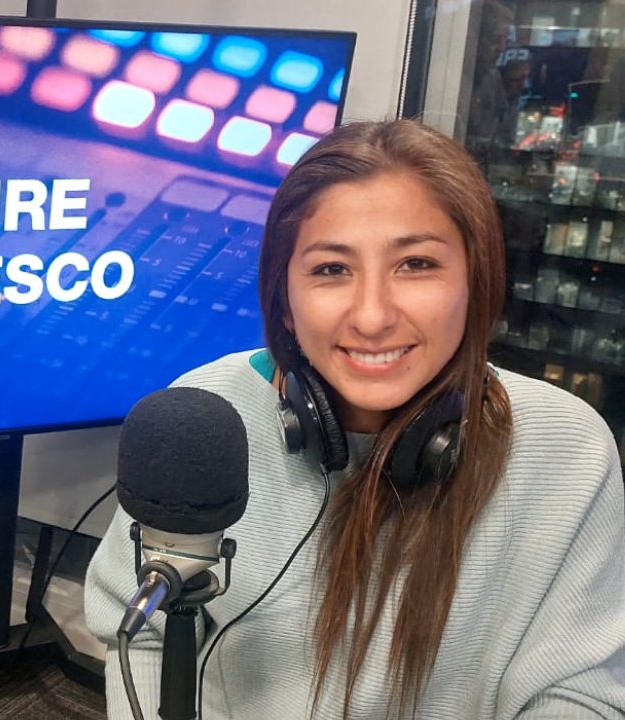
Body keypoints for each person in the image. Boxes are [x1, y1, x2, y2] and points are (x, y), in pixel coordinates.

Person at [84, 119, 625, 719]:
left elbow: (578, 696)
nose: (372, 317)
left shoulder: (566, 449)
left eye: (416, 264)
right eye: (331, 269)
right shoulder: (207, 414)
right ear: (284, 302)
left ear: (476, 282)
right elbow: (145, 634)